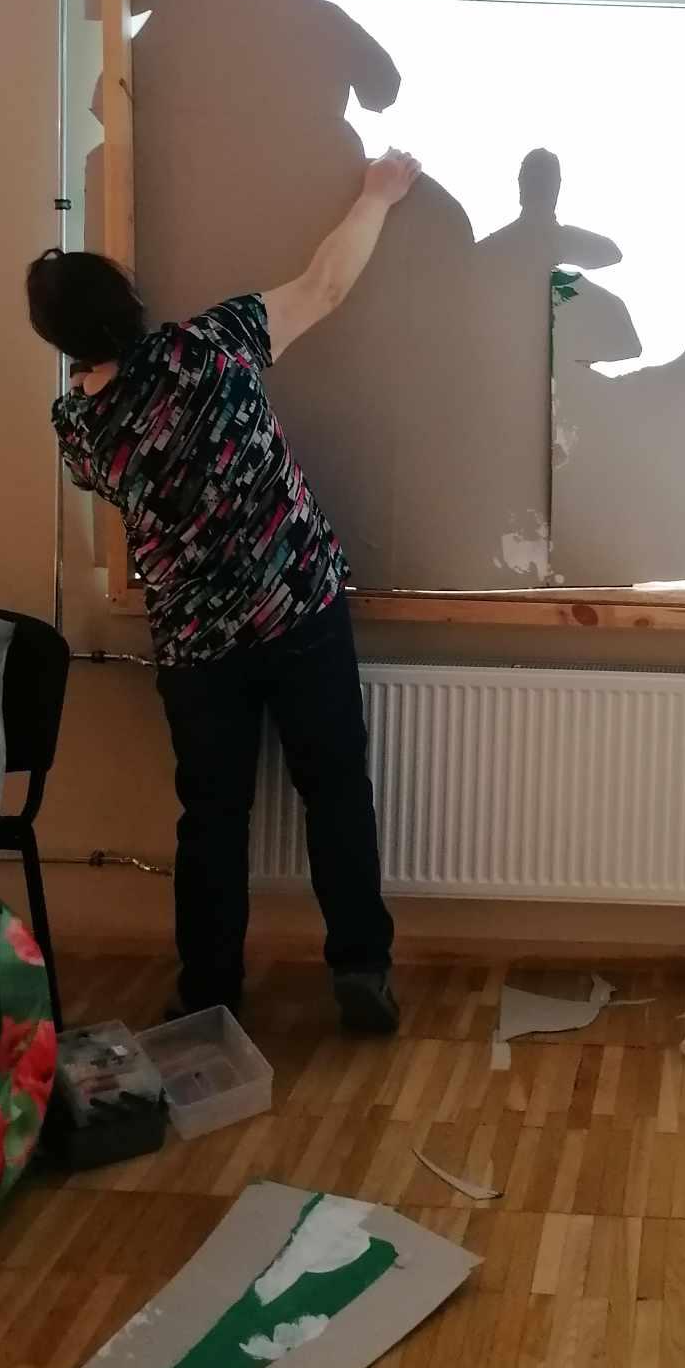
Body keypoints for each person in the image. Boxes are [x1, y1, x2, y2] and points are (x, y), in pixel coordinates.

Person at [27, 150, 422, 1033]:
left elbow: (109, 468)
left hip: (198, 646)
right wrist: (376, 195)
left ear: (62, 343)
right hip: (298, 605)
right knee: (336, 792)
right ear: (130, 301)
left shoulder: (78, 426)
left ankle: (208, 990)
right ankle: (360, 968)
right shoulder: (209, 347)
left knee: (211, 817)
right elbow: (323, 286)